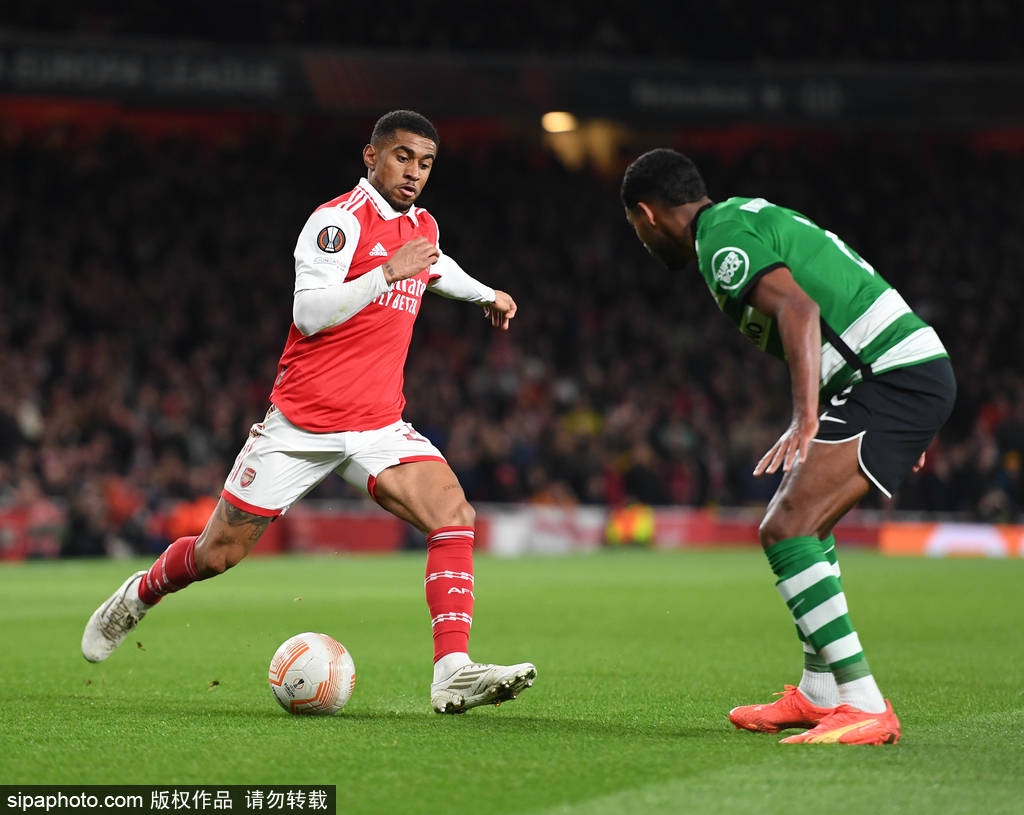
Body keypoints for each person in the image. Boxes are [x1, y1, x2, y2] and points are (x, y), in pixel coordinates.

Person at [82, 110, 536, 714]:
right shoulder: (336, 222)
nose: (414, 172)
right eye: (402, 157)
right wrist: (386, 272)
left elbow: (436, 266)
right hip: (301, 425)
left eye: (425, 163)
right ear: (371, 156)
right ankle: (140, 593)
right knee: (217, 554)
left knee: (453, 516)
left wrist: (486, 294)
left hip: (376, 424)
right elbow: (310, 314)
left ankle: (452, 672)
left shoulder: (421, 225)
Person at [620, 148, 955, 745]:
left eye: (635, 228)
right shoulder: (740, 216)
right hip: (892, 375)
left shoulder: (720, 239)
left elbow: (800, 309)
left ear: (646, 214)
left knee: (786, 527)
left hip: (890, 378)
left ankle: (863, 703)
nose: (642, 240)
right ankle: (820, 691)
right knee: (807, 521)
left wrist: (806, 416)